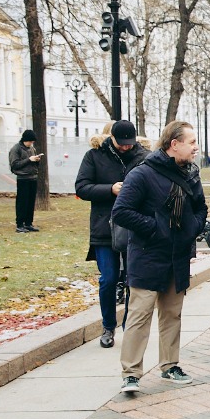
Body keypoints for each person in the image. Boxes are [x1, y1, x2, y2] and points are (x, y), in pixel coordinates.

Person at [111, 121, 207, 394]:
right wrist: (156, 227)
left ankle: (170, 365)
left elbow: (200, 208)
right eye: (191, 142)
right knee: (139, 316)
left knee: (172, 315)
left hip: (177, 257)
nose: (195, 147)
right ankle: (131, 373)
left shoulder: (190, 174)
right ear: (173, 144)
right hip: (147, 256)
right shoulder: (142, 174)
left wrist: (192, 228)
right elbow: (122, 211)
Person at [75, 120, 148, 348]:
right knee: (108, 279)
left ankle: (129, 325)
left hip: (133, 226)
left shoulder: (144, 156)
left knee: (131, 280)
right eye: (121, 143)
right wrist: (110, 189)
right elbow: (82, 187)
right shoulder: (94, 156)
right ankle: (108, 325)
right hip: (103, 227)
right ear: (111, 138)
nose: (126, 147)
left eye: (130, 143)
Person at [8, 129, 43, 232]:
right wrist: (29, 160)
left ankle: (28, 223)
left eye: (32, 142)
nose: (31, 144)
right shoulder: (16, 149)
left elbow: (33, 162)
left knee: (31, 202)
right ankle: (20, 224)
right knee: (22, 202)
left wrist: (36, 160)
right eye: (30, 141)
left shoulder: (32, 149)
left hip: (33, 178)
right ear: (25, 140)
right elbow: (14, 165)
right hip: (23, 179)